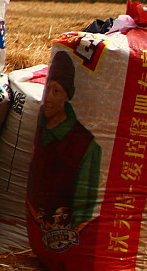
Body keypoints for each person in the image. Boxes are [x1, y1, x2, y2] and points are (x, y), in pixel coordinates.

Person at [28, 51, 102, 232]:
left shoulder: (84, 146)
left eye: (56, 91)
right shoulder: (42, 129)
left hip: (64, 239)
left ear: (67, 96)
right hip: (35, 232)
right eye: (48, 89)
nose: (49, 98)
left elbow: (83, 206)